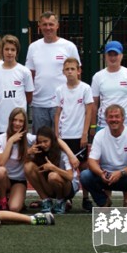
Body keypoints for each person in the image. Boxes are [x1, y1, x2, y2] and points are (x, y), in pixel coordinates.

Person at [90, 40, 127, 209]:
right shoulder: (98, 77)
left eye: (115, 54)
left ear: (121, 56)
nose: (113, 57)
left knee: (126, 160)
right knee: (106, 161)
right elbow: (94, 103)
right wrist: (92, 126)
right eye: (110, 54)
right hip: (104, 124)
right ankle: (107, 197)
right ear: (105, 56)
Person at [80, 105, 127, 208]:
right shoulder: (99, 135)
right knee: (85, 175)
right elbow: (91, 161)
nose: (114, 120)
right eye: (111, 117)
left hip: (126, 176)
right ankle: (103, 202)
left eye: (117, 116)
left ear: (123, 119)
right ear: (106, 120)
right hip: (106, 177)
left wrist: (121, 173)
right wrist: (101, 173)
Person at [25, 12, 81, 133]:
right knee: (40, 139)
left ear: (57, 25)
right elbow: (30, 75)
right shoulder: (33, 47)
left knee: (61, 138)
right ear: (39, 26)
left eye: (51, 24)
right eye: (45, 24)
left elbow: (77, 73)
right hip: (39, 103)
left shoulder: (69, 46)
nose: (48, 28)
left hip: (62, 102)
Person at [53, 57, 91, 210]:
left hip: (78, 136)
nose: (70, 72)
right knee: (65, 167)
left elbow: (89, 111)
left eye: (72, 69)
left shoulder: (85, 89)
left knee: (83, 166)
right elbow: (57, 113)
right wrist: (56, 134)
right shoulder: (59, 90)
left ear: (79, 71)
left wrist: (85, 133)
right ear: (63, 72)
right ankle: (66, 198)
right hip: (64, 136)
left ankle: (86, 197)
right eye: (67, 69)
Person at [24, 126, 78, 215]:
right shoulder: (38, 150)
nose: (43, 144)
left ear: (52, 140)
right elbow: (23, 163)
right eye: (40, 142)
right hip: (50, 186)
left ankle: (60, 201)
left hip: (68, 188)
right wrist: (28, 153)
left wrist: (53, 168)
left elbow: (70, 177)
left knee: (52, 176)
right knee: (27, 167)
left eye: (45, 141)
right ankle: (46, 200)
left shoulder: (62, 154)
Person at [0, 108, 36, 212]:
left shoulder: (28, 138)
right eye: (15, 120)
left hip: (19, 180)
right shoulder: (0, 138)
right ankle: (2, 201)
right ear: (10, 120)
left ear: (24, 123)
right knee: (0, 171)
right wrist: (11, 141)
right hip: (5, 179)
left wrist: (70, 155)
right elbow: (1, 162)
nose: (17, 123)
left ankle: (16, 198)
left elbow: (50, 138)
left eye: (21, 121)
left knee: (14, 208)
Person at [0, 35, 33, 137]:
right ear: (1, 50)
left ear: (17, 51)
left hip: (18, 124)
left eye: (13, 50)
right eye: (7, 49)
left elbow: (29, 97)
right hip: (0, 124)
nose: (9, 52)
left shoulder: (24, 71)